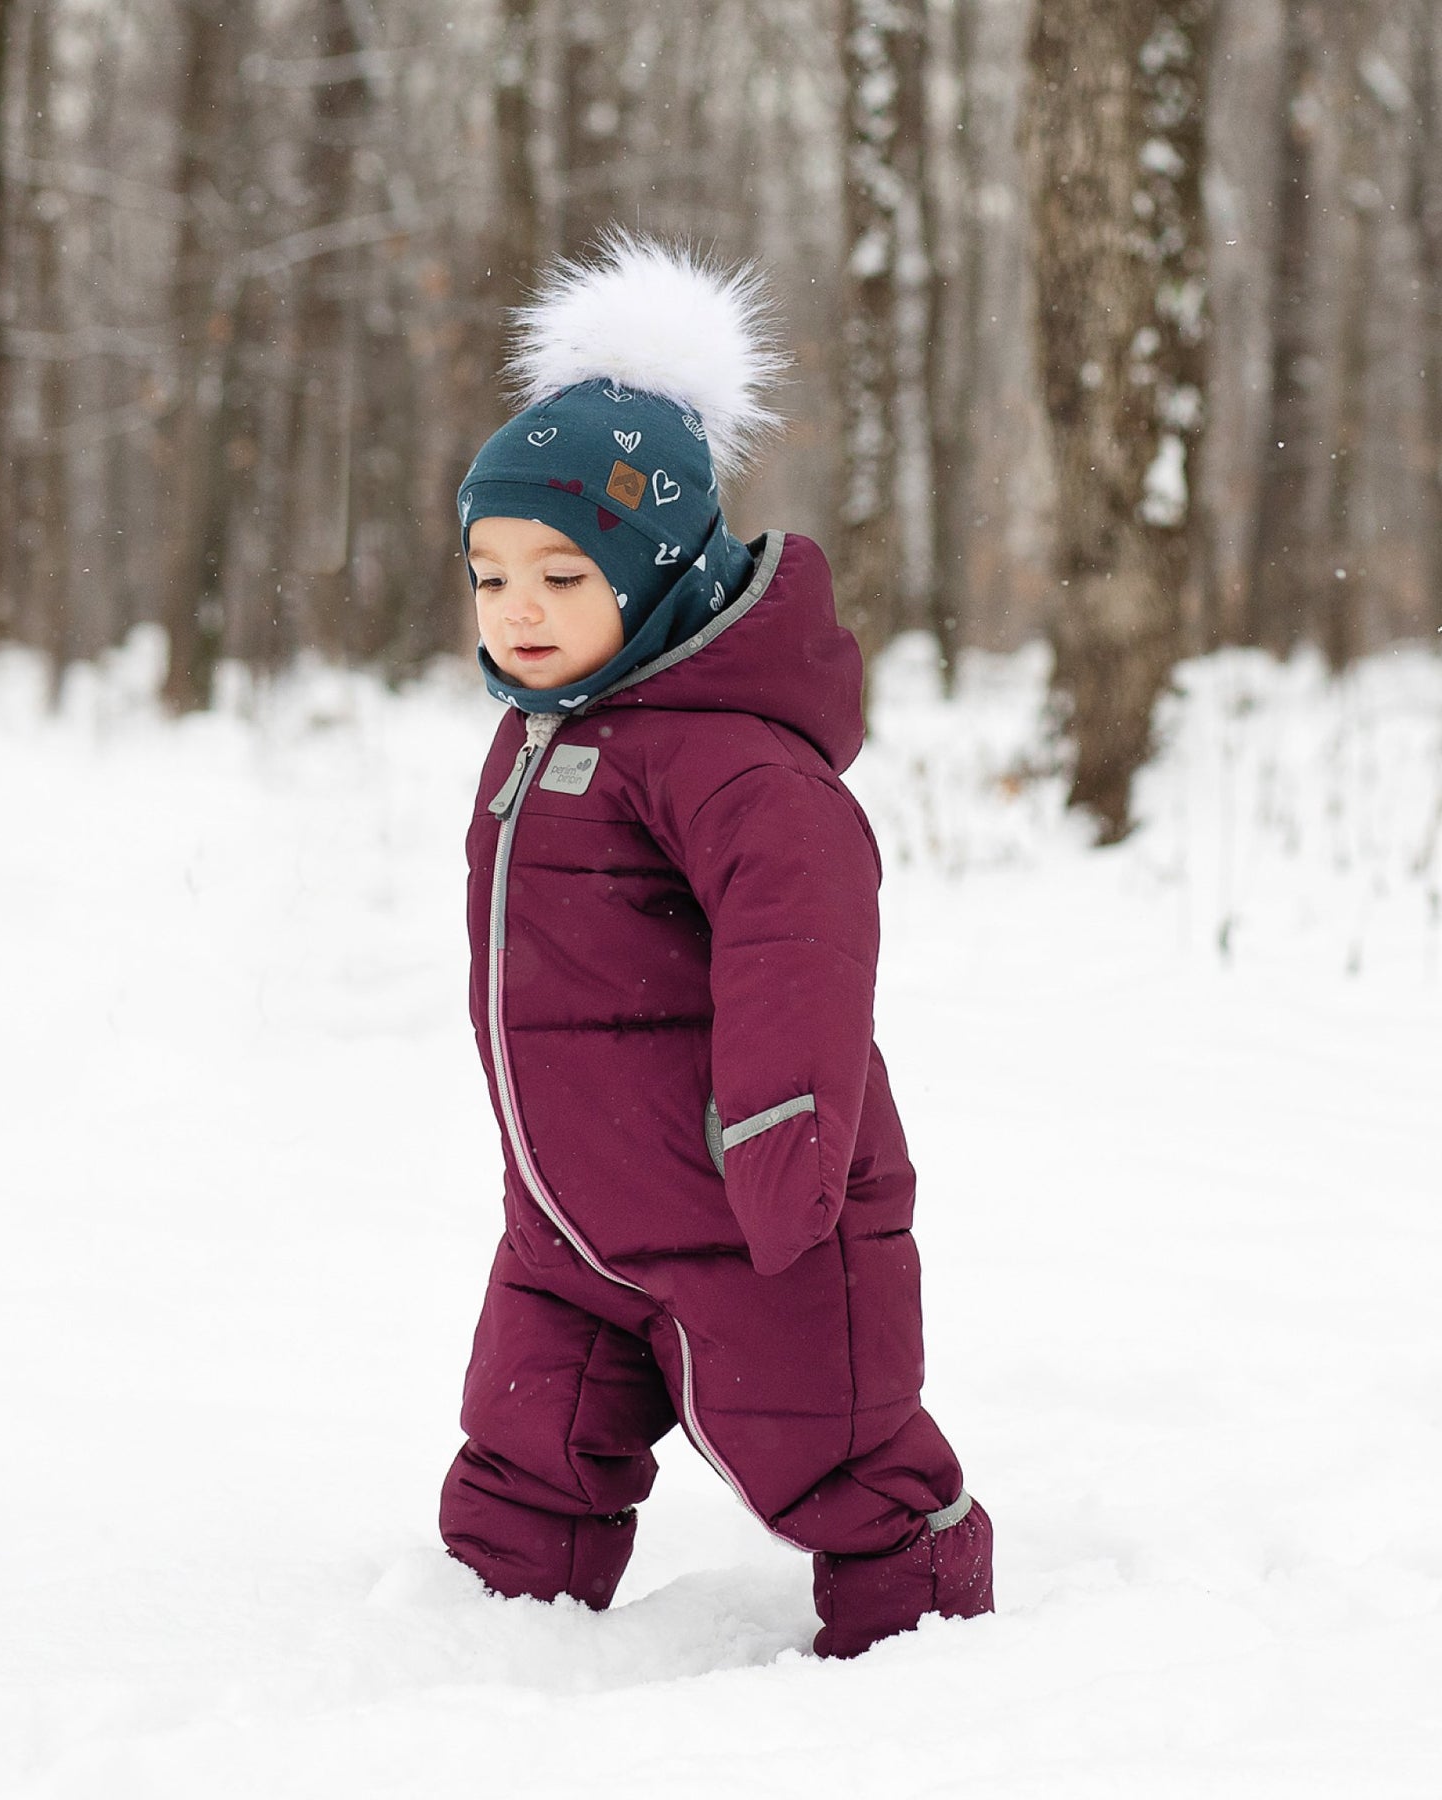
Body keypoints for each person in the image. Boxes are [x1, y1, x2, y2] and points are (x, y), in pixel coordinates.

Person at [438, 232, 993, 1660]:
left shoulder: (734, 762)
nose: (518, 613)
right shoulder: (545, 733)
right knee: (525, 1450)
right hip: (567, 1224)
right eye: (491, 576)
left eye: (562, 577)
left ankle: (930, 1647)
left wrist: (785, 1131)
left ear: (660, 568)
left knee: (832, 1448)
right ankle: (484, 1648)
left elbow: (799, 948)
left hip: (760, 1215)